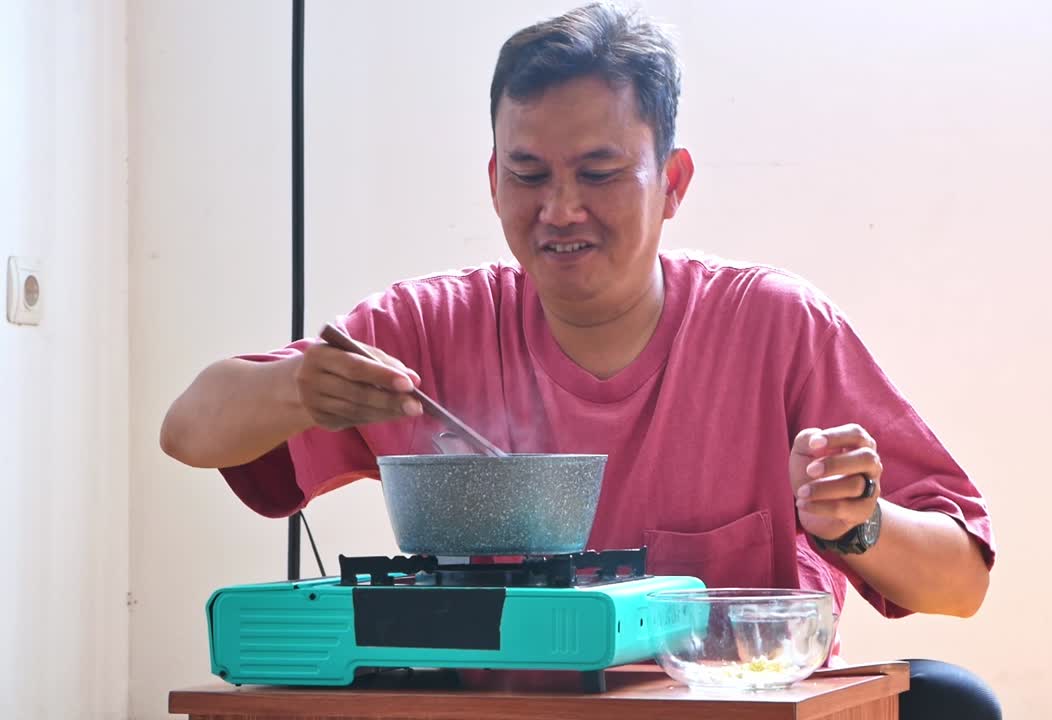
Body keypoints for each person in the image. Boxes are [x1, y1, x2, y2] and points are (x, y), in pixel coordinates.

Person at [160, 3, 999, 717]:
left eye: (600, 173)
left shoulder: (773, 326)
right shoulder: (428, 325)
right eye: (528, 174)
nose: (561, 210)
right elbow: (190, 430)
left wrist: (855, 523)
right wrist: (302, 388)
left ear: (672, 182)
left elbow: (961, 583)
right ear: (493, 180)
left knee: (953, 701)